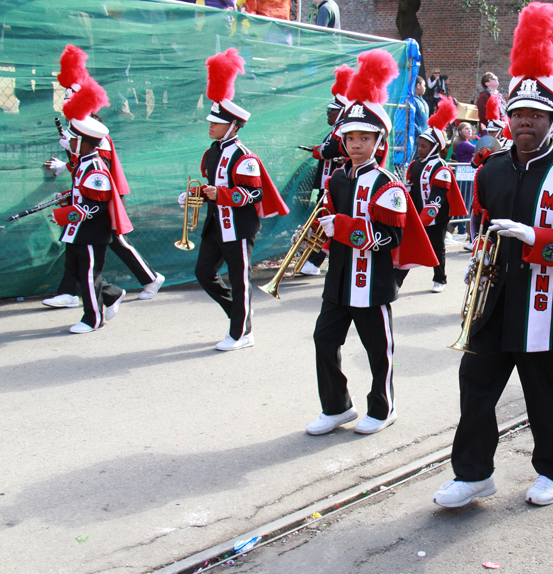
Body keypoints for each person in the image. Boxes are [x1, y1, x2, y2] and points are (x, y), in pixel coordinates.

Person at [433, 2, 553, 510]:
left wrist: (542, 240)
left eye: (535, 115)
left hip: (551, 307)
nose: (524, 122)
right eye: (517, 113)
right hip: (495, 302)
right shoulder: (491, 169)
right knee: (475, 388)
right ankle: (474, 473)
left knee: (545, 397)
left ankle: (552, 470)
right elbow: (483, 228)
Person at [306, 49, 437, 436]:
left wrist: (341, 228)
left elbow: (387, 237)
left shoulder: (389, 185)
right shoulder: (337, 180)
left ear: (378, 140)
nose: (355, 144)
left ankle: (383, 408)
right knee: (323, 339)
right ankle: (336, 407)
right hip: (339, 279)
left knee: (378, 351)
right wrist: (316, 233)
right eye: (350, 137)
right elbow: (328, 222)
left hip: (372, 282)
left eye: (364, 137)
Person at [43, 46, 165, 309]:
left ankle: (150, 278)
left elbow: (99, 170)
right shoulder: (79, 131)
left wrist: (69, 160)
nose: (65, 102)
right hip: (91, 193)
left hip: (104, 194)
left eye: (70, 97)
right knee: (75, 238)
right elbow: (82, 165)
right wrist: (67, 164)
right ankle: (71, 292)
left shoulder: (95, 133)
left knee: (114, 240)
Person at [185, 48, 289, 351]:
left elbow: (254, 193)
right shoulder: (212, 151)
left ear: (232, 125)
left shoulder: (245, 157)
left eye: (216, 122)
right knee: (203, 273)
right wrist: (194, 195)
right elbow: (210, 185)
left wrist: (223, 195)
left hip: (238, 227)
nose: (210, 125)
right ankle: (239, 314)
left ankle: (242, 333)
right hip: (215, 226)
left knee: (238, 278)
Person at [50, 78, 132, 334]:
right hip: (78, 229)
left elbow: (95, 207)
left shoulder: (95, 168)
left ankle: (93, 318)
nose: (69, 143)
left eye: (73, 140)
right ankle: (112, 294)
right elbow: (83, 195)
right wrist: (66, 198)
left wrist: (65, 214)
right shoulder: (83, 162)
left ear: (84, 142)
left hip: (91, 231)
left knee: (87, 273)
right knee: (75, 269)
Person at [397, 95, 468, 293]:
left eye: (424, 146)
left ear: (435, 147)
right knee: (409, 245)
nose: (419, 149)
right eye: (419, 145)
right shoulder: (414, 165)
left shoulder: (442, 168)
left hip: (436, 216)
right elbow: (410, 189)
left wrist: (425, 217)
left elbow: (437, 198)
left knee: (437, 248)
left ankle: (440, 279)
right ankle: (397, 281)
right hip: (417, 214)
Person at [301, 64, 354, 277]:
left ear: (340, 110)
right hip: (328, 184)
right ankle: (312, 260)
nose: (328, 114)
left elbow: (329, 150)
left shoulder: (343, 128)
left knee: (326, 220)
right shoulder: (336, 128)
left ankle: (314, 261)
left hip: (336, 184)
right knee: (322, 221)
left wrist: (317, 151)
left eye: (331, 110)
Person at [411, 76, 429, 140]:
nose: (425, 88)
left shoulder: (422, 100)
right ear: (418, 85)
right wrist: (418, 133)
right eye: (424, 85)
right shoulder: (412, 100)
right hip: (415, 138)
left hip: (425, 136)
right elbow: (410, 119)